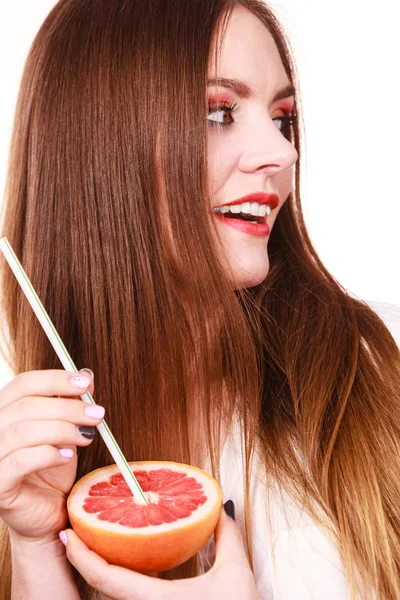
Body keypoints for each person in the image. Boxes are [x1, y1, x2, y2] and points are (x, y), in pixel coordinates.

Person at [0, 0, 399, 598]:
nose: (283, 153)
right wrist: (35, 553)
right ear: (102, 148)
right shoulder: (22, 453)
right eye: (219, 112)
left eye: (282, 117)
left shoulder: (380, 370)